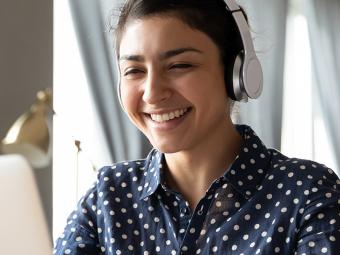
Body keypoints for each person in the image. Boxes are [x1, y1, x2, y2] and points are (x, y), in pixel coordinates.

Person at [54, 0, 340, 254]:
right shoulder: (108, 198)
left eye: (179, 65)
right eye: (134, 71)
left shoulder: (308, 194)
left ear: (236, 73)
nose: (152, 93)